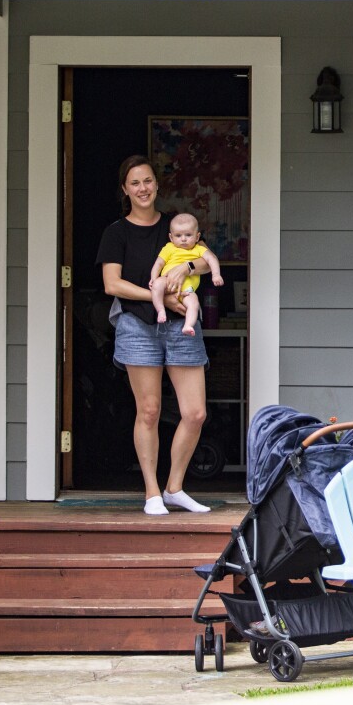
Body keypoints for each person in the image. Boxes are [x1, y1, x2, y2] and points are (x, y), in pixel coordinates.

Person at [95, 155, 213, 515]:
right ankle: (151, 493)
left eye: (148, 181)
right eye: (135, 183)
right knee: (149, 411)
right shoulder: (116, 232)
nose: (143, 188)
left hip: (182, 324)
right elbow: (111, 284)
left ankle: (175, 486)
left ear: (157, 185)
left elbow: (207, 259)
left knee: (194, 413)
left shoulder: (174, 226)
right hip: (138, 325)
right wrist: (159, 296)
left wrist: (190, 265)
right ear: (125, 189)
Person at [150, 213, 224, 337]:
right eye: (178, 236)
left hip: (187, 290)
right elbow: (158, 264)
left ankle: (188, 325)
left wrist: (216, 275)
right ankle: (161, 310)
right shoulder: (169, 248)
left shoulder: (198, 249)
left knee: (194, 303)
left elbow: (212, 259)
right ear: (171, 237)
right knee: (157, 285)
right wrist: (153, 278)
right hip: (167, 281)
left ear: (197, 236)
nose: (183, 239)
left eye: (188, 235)